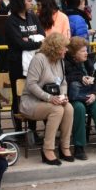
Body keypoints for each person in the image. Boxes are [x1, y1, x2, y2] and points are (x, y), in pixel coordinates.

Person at [20, 32, 74, 165]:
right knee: (57, 110)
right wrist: (50, 98)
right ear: (55, 47)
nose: (66, 50)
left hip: (50, 100)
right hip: (31, 102)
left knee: (69, 108)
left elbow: (63, 83)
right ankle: (47, 150)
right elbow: (31, 84)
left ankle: (64, 147)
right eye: (64, 47)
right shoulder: (39, 59)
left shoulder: (60, 61)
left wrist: (63, 96)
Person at [64, 36, 96, 159]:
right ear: (74, 53)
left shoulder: (89, 62)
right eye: (83, 51)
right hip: (74, 98)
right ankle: (79, 147)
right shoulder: (65, 63)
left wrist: (95, 94)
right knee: (79, 109)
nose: (86, 53)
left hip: (90, 95)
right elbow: (65, 79)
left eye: (86, 50)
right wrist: (80, 77)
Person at [4, 0, 45, 131]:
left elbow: (43, 37)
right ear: (20, 1)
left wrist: (31, 41)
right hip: (17, 65)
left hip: (34, 64)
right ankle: (19, 131)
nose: (31, 3)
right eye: (28, 0)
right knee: (18, 97)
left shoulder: (33, 17)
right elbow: (20, 44)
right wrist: (35, 41)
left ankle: (32, 130)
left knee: (33, 96)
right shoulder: (11, 21)